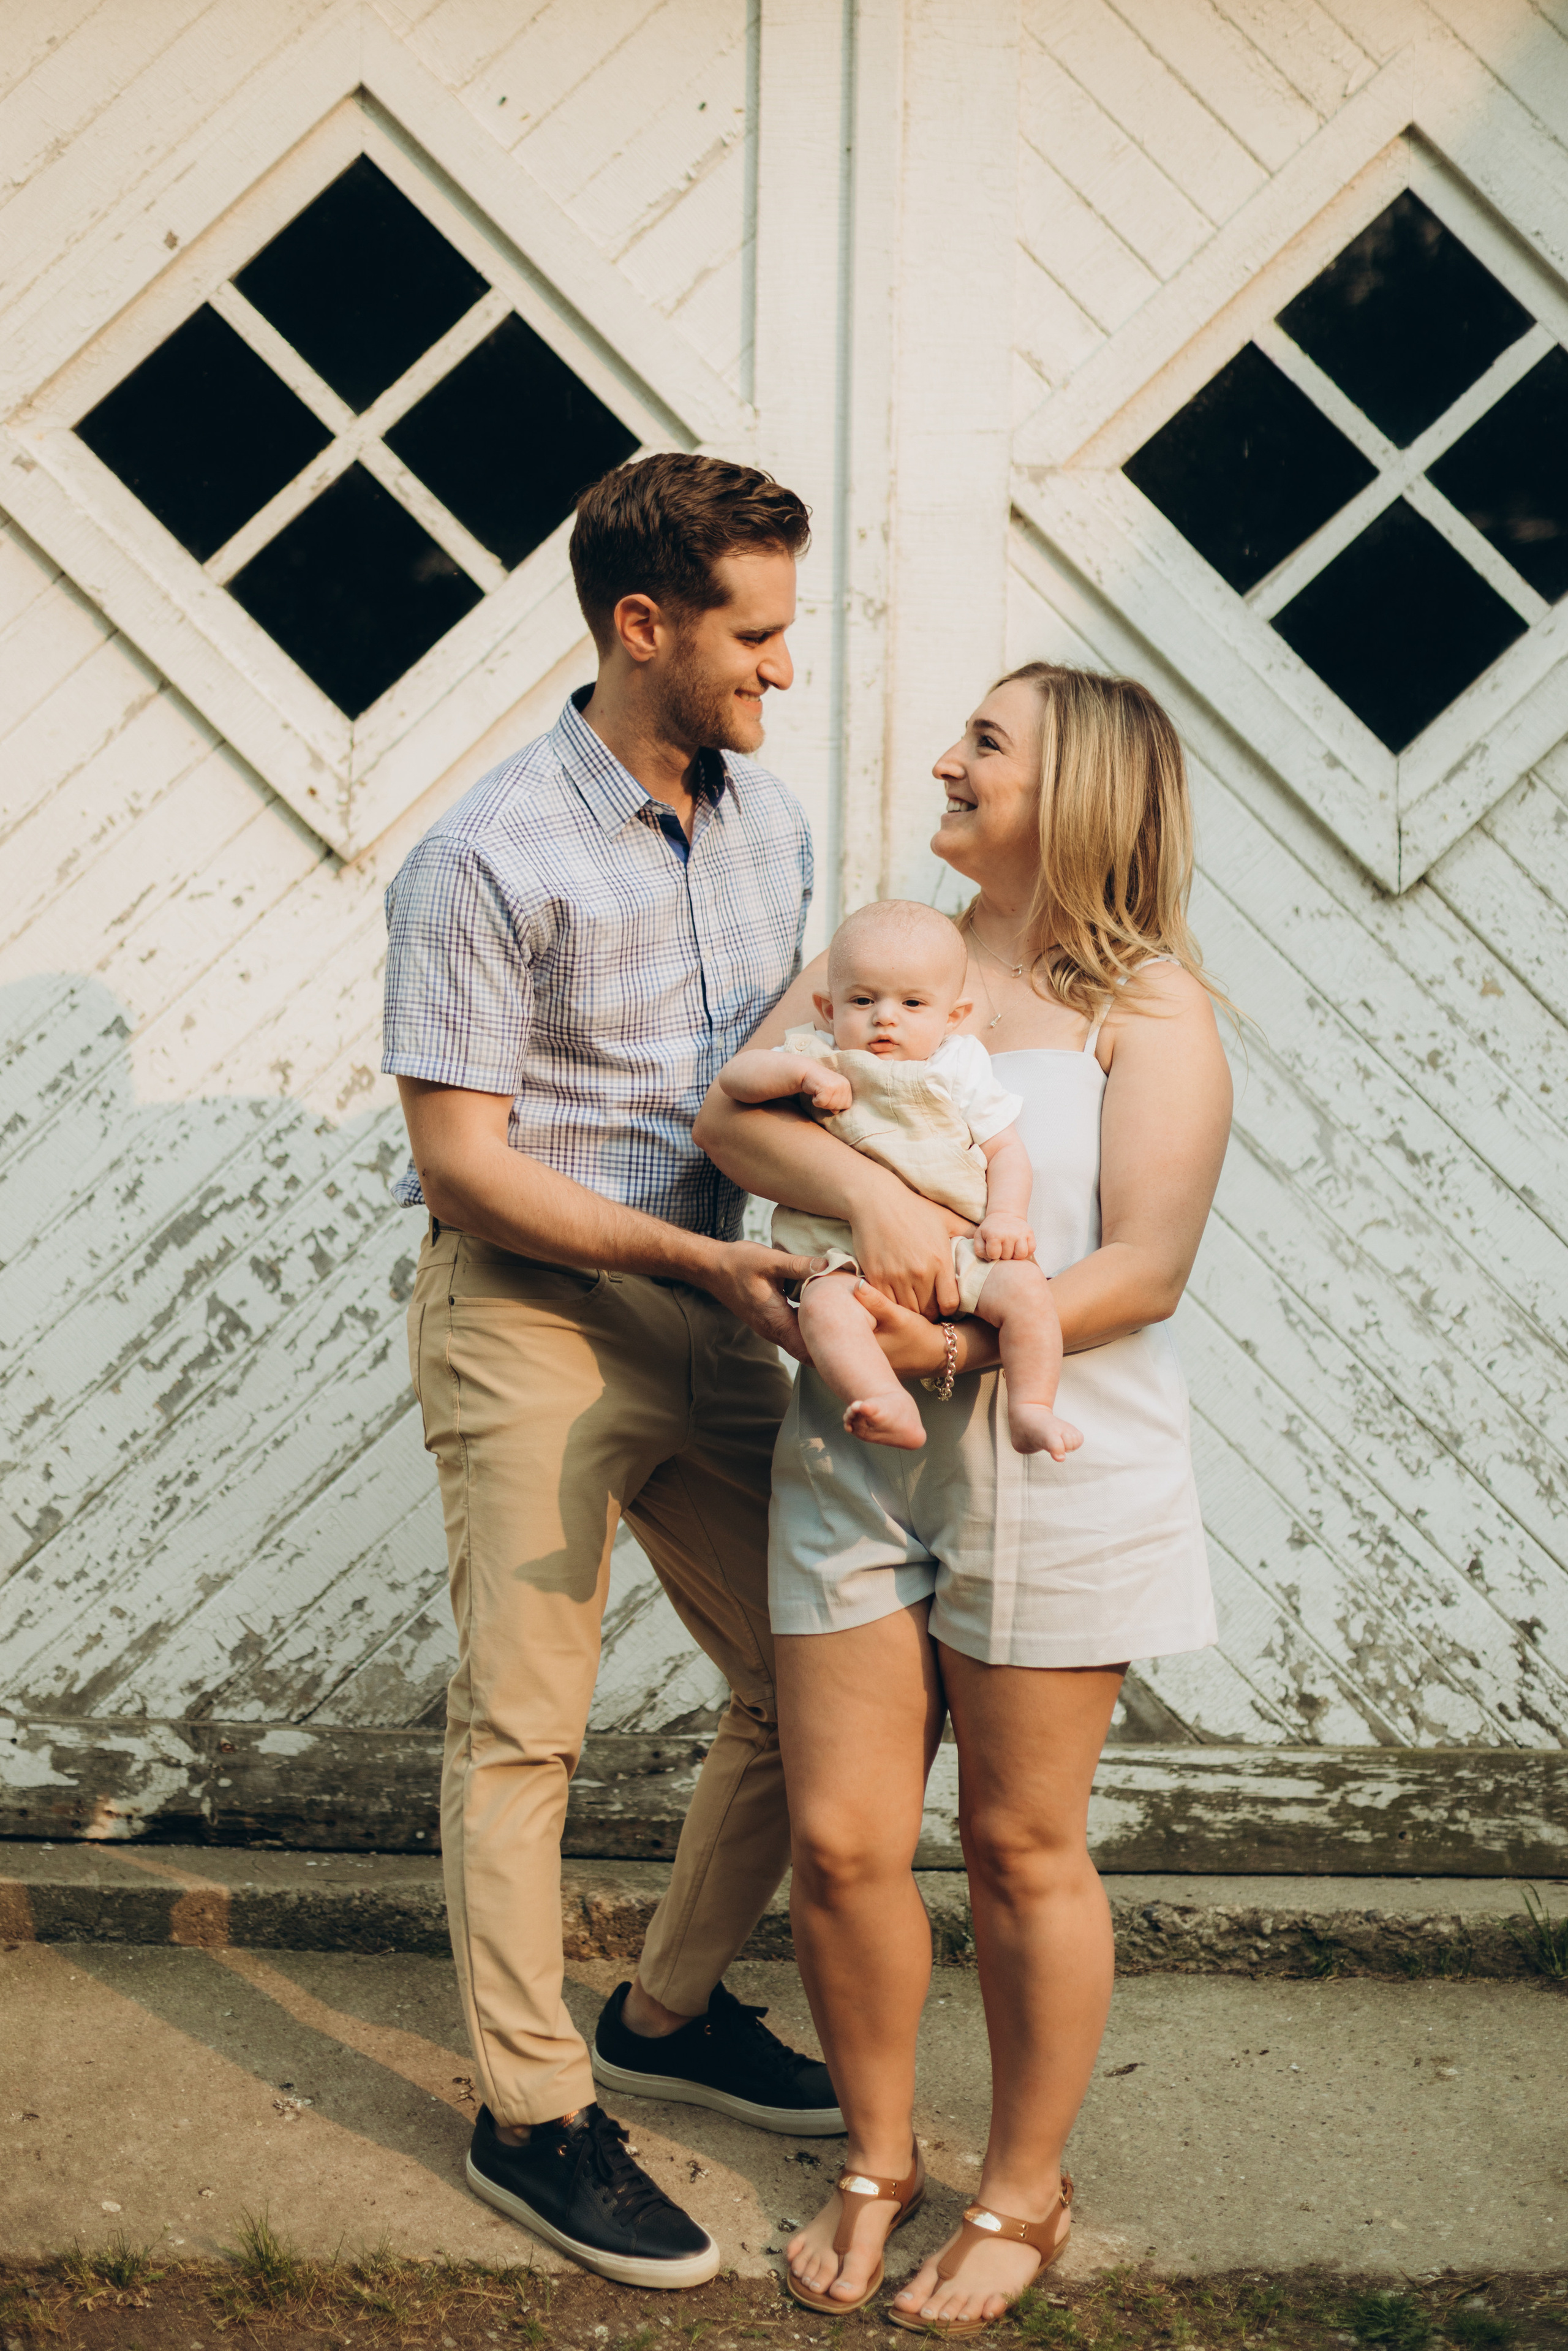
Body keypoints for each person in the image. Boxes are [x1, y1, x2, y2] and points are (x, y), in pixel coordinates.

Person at [693, 660, 1234, 2331]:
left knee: (1018, 1843)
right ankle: (877, 2158)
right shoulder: (883, 961)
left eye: (984, 744)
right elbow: (735, 1114)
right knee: (849, 1843)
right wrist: (861, 1183)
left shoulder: (1148, 1006)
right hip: (855, 1455)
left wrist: (961, 1321)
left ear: (1076, 788)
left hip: (1050, 1458)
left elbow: (1146, 1262)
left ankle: (1022, 2186)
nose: (945, 759)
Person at [381, 451, 844, 2293]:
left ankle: (660, 2009)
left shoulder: (772, 826)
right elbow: (463, 1162)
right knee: (524, 1726)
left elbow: (779, 1090)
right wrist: (699, 1258)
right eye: (755, 633)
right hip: (532, 1313)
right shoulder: (487, 850)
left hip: (720, 1299)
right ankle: (532, 2109)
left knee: (815, 1680)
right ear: (640, 624)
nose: (781, 672)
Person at [718, 897, 1081, 1459]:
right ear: (827, 1007)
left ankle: (1032, 1407)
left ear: (952, 1017)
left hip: (961, 1246)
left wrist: (1007, 1216)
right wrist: (801, 1072)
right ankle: (885, 1398)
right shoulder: (818, 1054)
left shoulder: (957, 1065)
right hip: (843, 1250)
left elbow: (1006, 1149)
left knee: (1029, 1292)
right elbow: (736, 1080)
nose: (885, 1017)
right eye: (862, 1001)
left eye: (913, 1003)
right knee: (824, 1310)